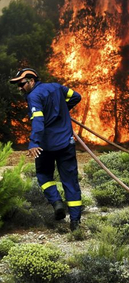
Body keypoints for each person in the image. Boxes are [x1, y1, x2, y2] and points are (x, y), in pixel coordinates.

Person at [10, 68, 83, 230]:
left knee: (43, 175)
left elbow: (38, 121)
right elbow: (76, 97)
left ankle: (56, 203)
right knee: (70, 181)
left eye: (22, 84)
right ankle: (75, 222)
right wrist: (63, 110)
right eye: (18, 85)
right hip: (66, 143)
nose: (20, 88)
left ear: (32, 81)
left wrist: (34, 142)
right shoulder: (57, 87)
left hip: (46, 146)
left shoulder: (33, 96)